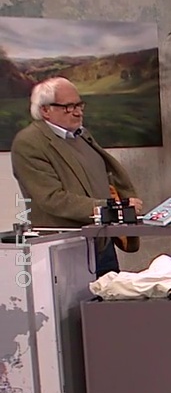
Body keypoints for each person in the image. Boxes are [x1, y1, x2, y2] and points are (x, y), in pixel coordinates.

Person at [11, 76, 142, 277]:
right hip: (66, 246)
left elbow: (106, 180)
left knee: (111, 294)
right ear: (45, 110)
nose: (78, 112)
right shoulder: (29, 143)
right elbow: (52, 199)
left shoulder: (81, 135)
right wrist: (112, 208)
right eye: (68, 107)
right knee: (79, 299)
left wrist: (120, 207)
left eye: (79, 105)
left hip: (101, 239)